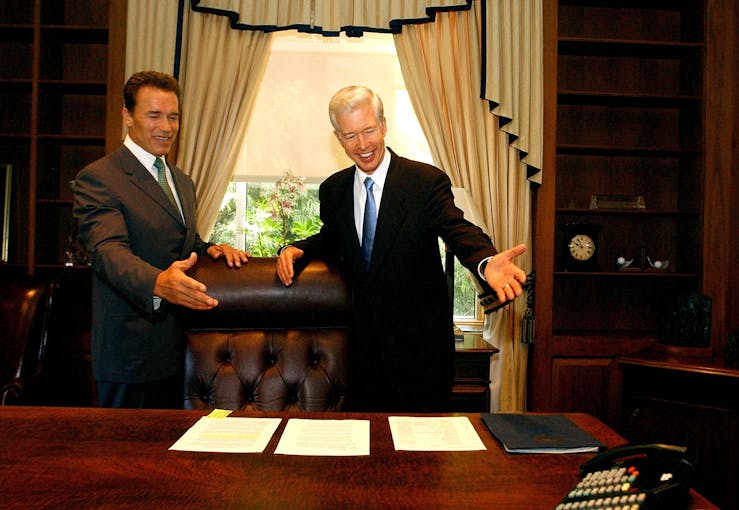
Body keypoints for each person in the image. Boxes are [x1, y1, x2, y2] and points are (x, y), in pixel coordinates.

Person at [276, 85, 527, 412]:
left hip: (421, 358)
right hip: (362, 360)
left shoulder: (425, 182)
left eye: (368, 130)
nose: (363, 145)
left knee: (423, 460)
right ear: (338, 138)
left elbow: (457, 228)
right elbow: (334, 237)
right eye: (351, 136)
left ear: (383, 125)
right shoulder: (333, 190)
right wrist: (299, 249)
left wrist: (485, 261)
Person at [73, 71, 250, 409]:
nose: (166, 127)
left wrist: (210, 249)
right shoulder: (99, 178)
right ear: (127, 117)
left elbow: (182, 240)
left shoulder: (182, 181)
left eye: (173, 117)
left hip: (175, 351)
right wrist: (157, 282)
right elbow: (108, 252)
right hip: (128, 357)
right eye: (154, 115)